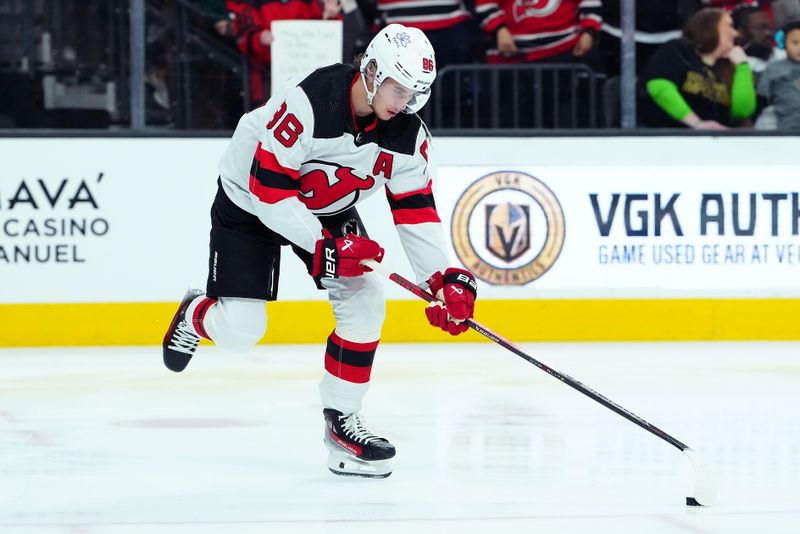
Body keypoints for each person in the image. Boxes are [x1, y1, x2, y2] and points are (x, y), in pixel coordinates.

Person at [162, 24, 479, 479]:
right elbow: (269, 190)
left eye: (412, 94)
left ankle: (342, 425)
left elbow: (415, 212)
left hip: (328, 208)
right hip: (250, 199)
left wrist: (441, 279)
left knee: (367, 296)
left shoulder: (409, 138)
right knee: (242, 331)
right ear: (370, 72)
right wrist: (325, 248)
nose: (402, 103)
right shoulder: (313, 101)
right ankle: (196, 314)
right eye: (396, 88)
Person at [639, 7, 757, 129]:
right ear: (710, 27)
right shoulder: (678, 50)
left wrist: (742, 67)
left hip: (719, 139)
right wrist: (697, 124)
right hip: (672, 135)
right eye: (729, 26)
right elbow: (659, 86)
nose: (735, 33)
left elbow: (742, 112)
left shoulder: (731, 68)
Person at [757, 19, 800, 129]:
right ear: (783, 43)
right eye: (795, 42)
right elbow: (761, 99)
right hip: (787, 129)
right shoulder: (774, 68)